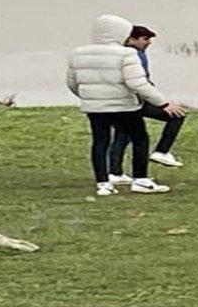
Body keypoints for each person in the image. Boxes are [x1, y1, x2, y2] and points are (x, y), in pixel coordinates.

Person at [66, 14, 185, 196]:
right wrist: (163, 103)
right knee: (140, 138)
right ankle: (141, 180)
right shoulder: (126, 54)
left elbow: (72, 83)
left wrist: (90, 97)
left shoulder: (78, 53)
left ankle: (103, 184)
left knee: (100, 142)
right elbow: (137, 83)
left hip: (95, 107)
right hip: (124, 105)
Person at [108, 25, 188, 186]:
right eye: (145, 39)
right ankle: (161, 152)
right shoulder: (134, 55)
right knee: (176, 115)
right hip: (136, 100)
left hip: (119, 101)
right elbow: (139, 82)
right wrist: (159, 101)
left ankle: (115, 173)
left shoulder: (117, 54)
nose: (149, 42)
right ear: (131, 39)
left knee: (122, 136)